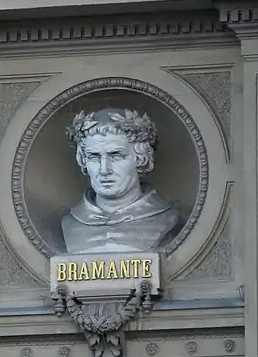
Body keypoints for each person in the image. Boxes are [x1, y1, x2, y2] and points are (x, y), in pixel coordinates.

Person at [61, 108, 180, 254]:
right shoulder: (68, 223)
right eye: (94, 157)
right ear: (83, 160)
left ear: (141, 158)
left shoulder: (169, 219)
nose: (104, 170)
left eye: (116, 156)